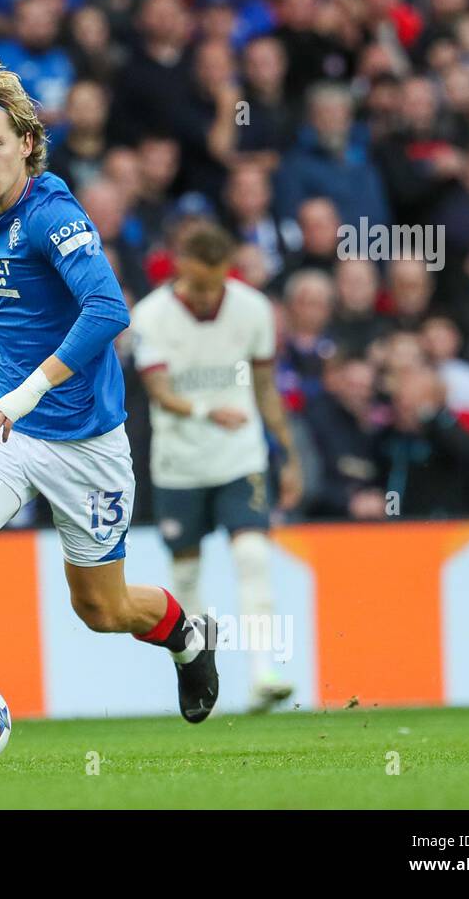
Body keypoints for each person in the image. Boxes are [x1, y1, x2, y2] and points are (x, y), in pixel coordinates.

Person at [0, 62, 218, 764]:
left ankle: (186, 636)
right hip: (8, 424)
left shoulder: (54, 219)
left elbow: (109, 311)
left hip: (85, 439)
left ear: (28, 145)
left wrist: (30, 389)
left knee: (101, 610)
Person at [131, 222, 302, 713]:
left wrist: (286, 453)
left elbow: (266, 388)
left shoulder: (252, 310)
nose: (208, 296)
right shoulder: (151, 316)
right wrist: (207, 411)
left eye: (215, 284)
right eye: (198, 284)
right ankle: (203, 675)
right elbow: (159, 391)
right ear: (179, 267)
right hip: (179, 463)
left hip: (239, 457)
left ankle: (265, 672)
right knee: (185, 579)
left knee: (252, 556)